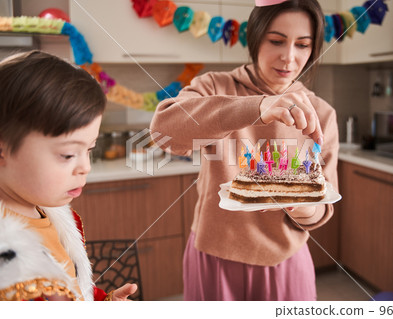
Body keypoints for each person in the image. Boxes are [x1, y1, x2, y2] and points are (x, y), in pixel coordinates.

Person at [150, 0, 338, 301]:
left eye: (302, 45)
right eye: (276, 41)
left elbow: (322, 208)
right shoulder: (214, 86)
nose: (289, 58)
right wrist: (259, 107)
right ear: (255, 37)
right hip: (215, 256)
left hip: (285, 261)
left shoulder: (321, 113)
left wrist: (298, 203)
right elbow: (164, 134)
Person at [0, 50, 137, 301]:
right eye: (67, 155)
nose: (85, 167)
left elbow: (75, 287)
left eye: (89, 150)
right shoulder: (8, 267)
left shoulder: (50, 213)